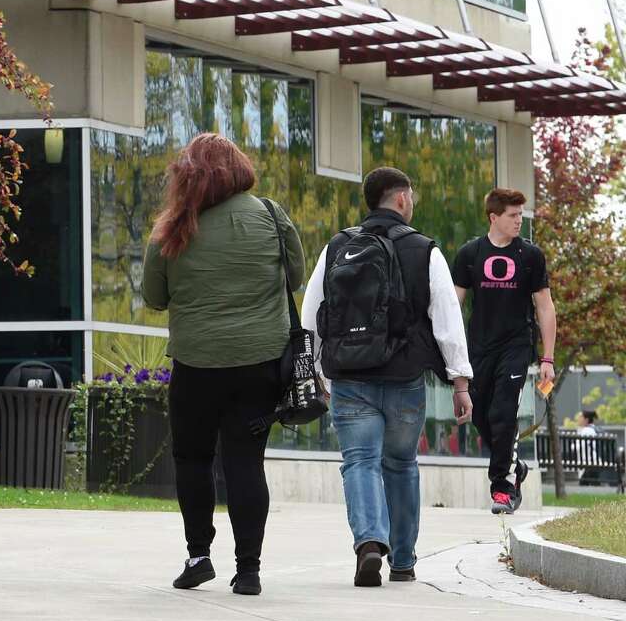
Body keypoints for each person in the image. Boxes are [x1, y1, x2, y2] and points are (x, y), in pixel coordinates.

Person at [141, 133, 305, 597]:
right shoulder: (273, 217)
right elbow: (294, 276)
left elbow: (154, 298)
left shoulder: (172, 227)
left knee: (192, 459)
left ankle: (198, 556)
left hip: (196, 364)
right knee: (246, 463)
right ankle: (248, 569)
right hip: (260, 364)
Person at [301, 167, 472, 588]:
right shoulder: (425, 250)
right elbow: (448, 320)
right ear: (400, 200)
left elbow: (312, 313)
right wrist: (460, 381)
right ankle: (404, 559)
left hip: (351, 377)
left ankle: (369, 543)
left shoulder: (337, 246)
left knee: (359, 460)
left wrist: (316, 372)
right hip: (404, 376)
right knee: (401, 463)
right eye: (410, 195)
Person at [452, 188, 556, 515]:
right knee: (482, 415)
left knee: (503, 412)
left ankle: (501, 486)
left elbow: (545, 307)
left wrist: (548, 358)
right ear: (493, 217)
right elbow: (454, 306)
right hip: (479, 349)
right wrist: (451, 355)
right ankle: (515, 465)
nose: (518, 221)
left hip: (516, 346)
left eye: (520, 214)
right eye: (513, 215)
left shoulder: (531, 255)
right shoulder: (470, 254)